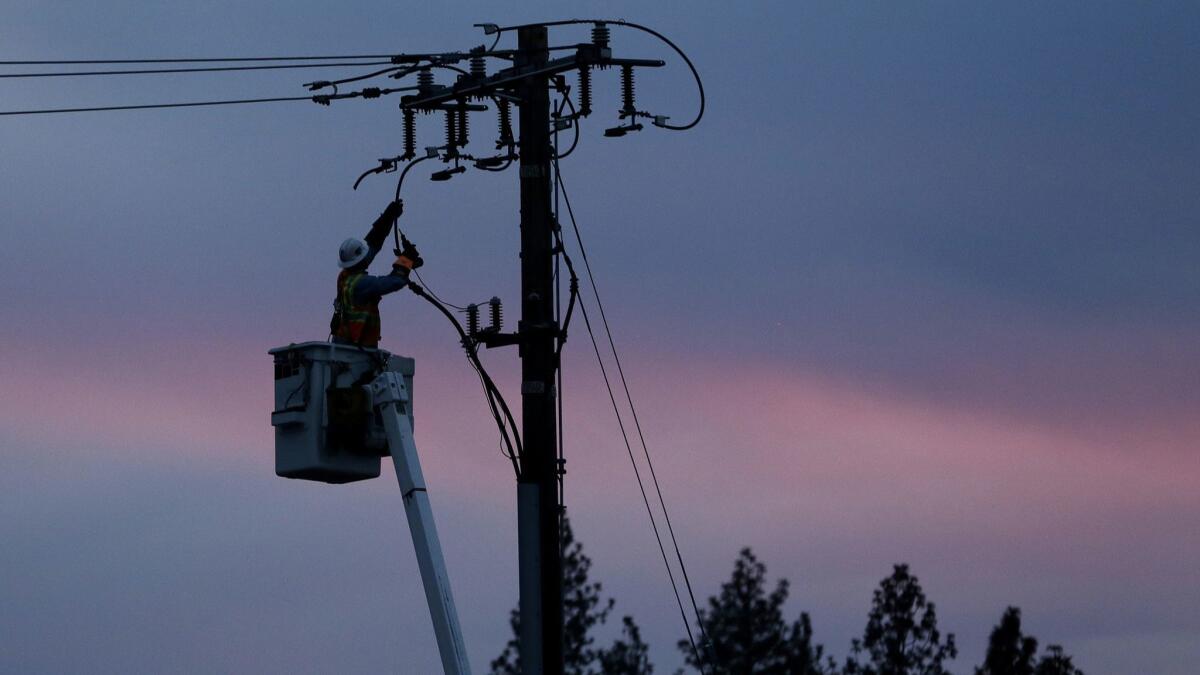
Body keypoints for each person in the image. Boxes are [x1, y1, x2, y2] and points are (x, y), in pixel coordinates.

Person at [331, 199, 424, 348]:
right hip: (356, 349)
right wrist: (406, 260)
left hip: (343, 343)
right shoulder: (361, 284)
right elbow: (395, 281)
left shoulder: (344, 277)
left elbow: (373, 243)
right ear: (359, 260)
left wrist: (388, 217)